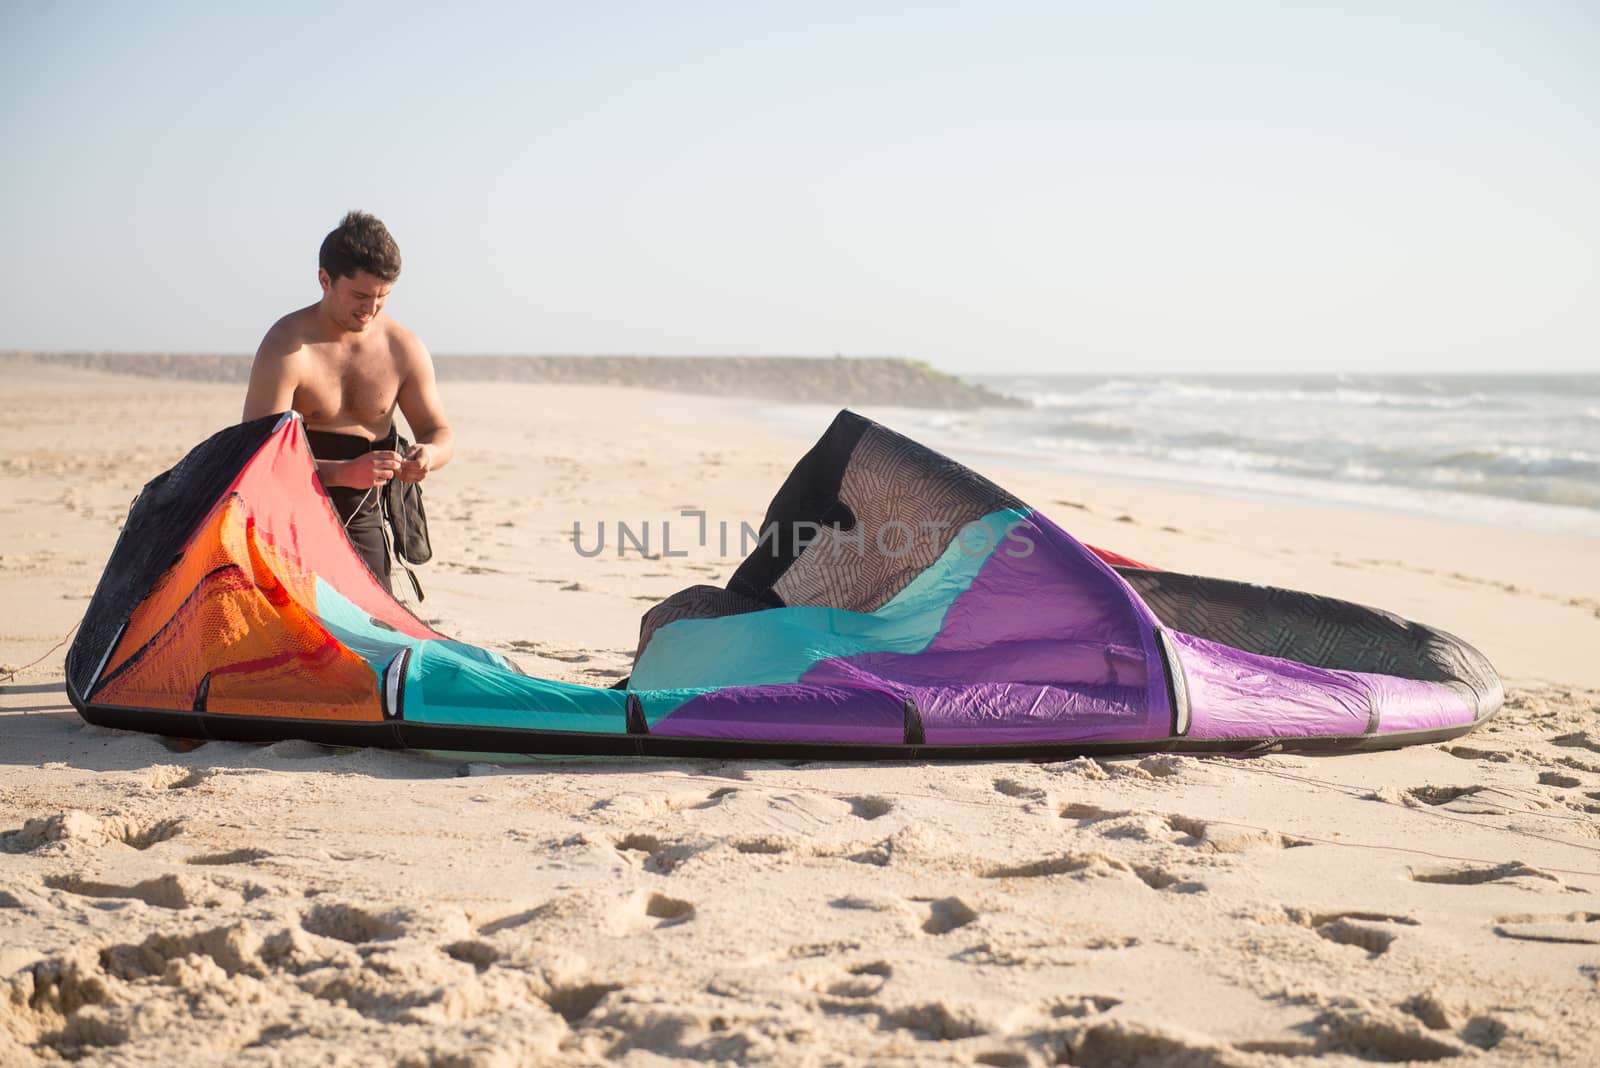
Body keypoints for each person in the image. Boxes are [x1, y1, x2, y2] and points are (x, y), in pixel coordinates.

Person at [242, 211, 453, 593]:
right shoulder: (287, 346)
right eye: (360, 295)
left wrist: (429, 455)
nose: (370, 308)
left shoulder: (402, 348)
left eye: (382, 297)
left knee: (373, 633)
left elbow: (439, 432)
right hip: (289, 510)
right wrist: (341, 473)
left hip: (364, 513)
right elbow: (254, 456)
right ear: (325, 279)